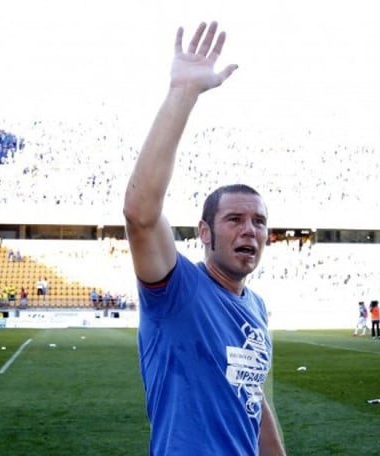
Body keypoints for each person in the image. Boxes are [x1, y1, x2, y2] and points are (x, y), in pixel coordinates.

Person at [122, 21, 285, 455]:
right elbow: (140, 215)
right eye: (235, 219)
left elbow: (254, 400)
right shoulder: (176, 290)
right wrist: (184, 92)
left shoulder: (256, 307)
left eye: (259, 221)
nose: (250, 229)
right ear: (204, 231)